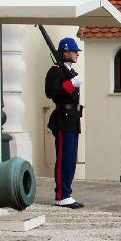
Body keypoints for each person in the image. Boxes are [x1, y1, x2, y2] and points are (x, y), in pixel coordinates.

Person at [45, 37, 84, 209]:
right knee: (63, 158)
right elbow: (51, 92)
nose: (77, 54)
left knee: (70, 159)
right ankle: (61, 194)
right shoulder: (56, 71)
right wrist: (70, 84)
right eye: (74, 51)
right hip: (63, 118)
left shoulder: (70, 72)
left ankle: (67, 192)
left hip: (73, 119)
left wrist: (72, 81)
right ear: (65, 52)